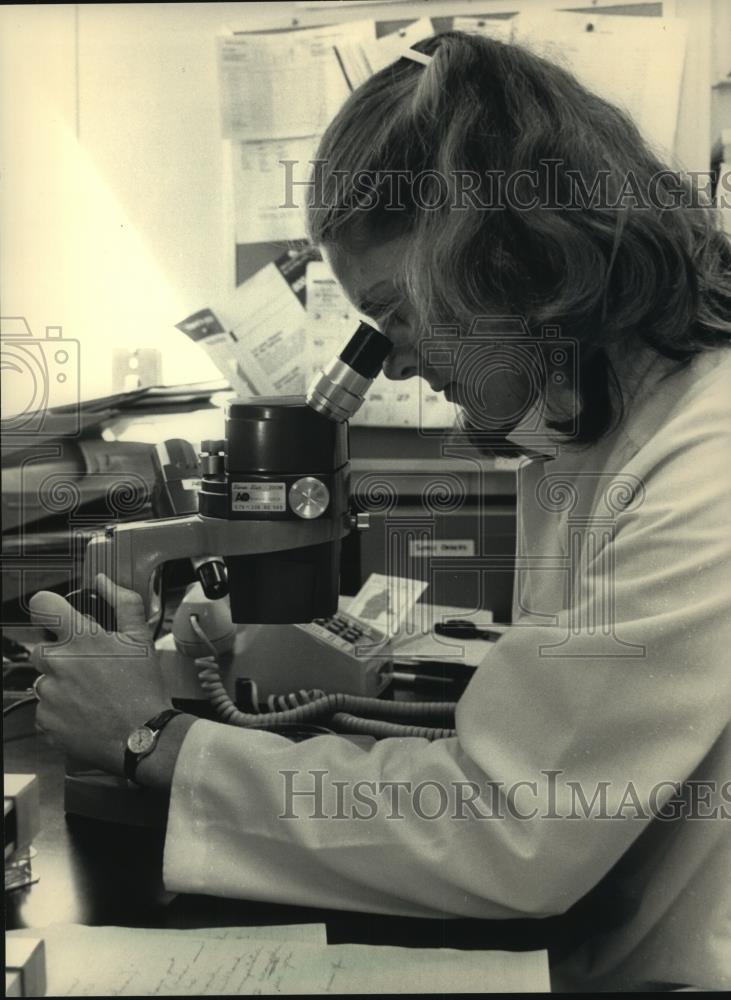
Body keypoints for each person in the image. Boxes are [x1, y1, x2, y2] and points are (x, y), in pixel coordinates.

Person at [29, 31, 731, 991]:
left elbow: (506, 824)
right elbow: (543, 740)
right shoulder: (579, 422)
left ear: (509, 252)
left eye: (399, 309)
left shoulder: (706, 458)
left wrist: (153, 738)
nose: (393, 360)